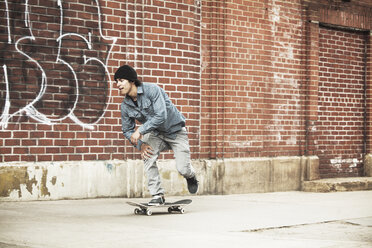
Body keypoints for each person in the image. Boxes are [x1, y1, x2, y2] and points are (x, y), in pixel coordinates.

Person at [114, 65, 198, 205]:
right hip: (156, 134)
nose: (118, 85)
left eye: (121, 80)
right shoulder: (125, 106)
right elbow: (127, 130)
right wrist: (141, 145)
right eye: (116, 81)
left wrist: (140, 131)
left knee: (183, 168)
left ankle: (191, 176)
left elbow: (161, 115)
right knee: (147, 156)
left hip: (176, 131)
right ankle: (157, 195)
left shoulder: (152, 90)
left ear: (132, 81)